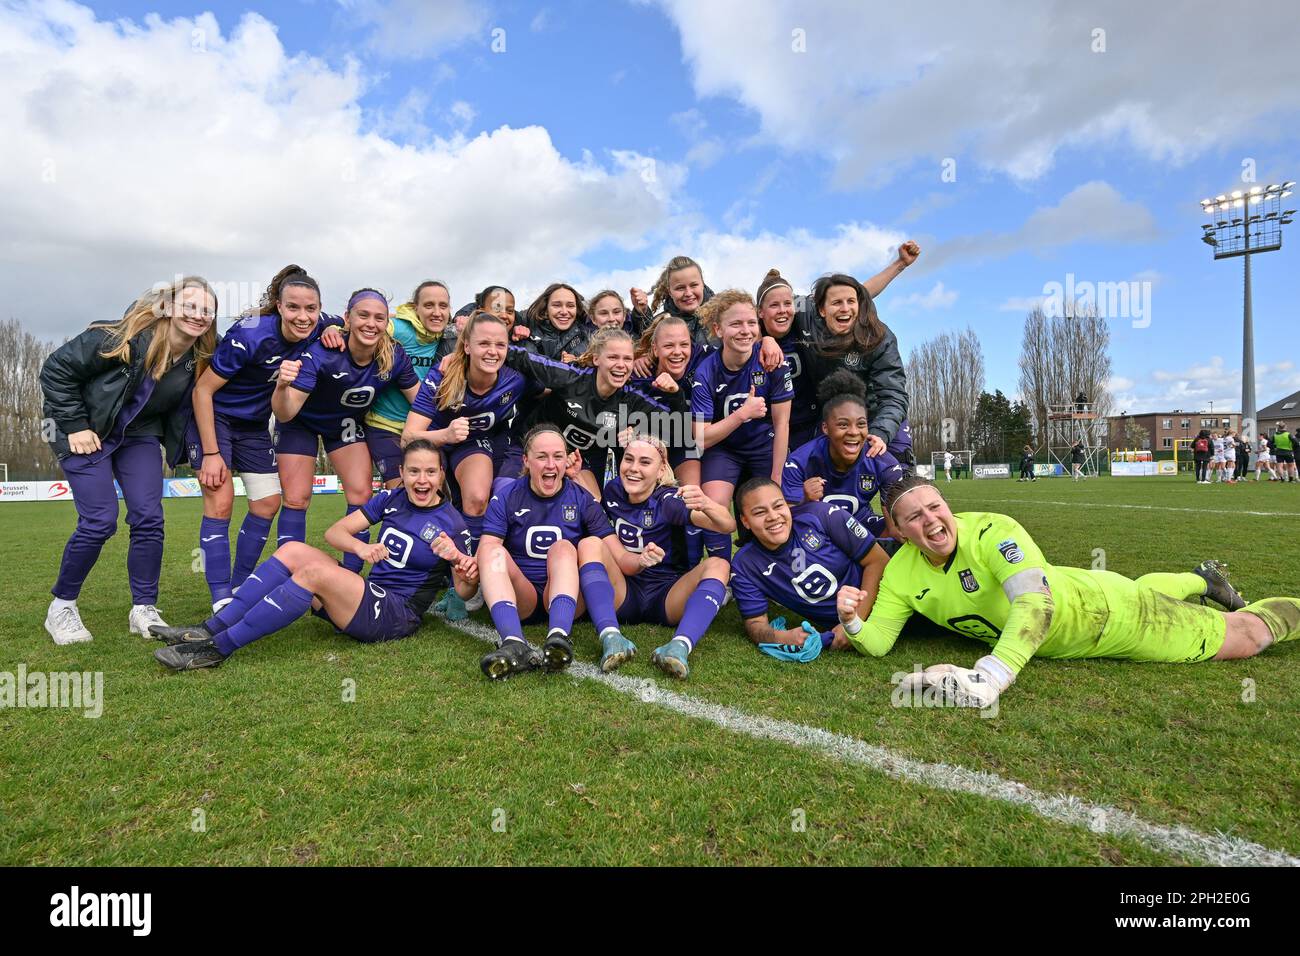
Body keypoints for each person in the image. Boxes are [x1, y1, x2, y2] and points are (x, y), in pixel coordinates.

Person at [837, 475, 1299, 711]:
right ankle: (1204, 579)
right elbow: (877, 644)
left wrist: (991, 676)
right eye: (914, 516)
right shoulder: (899, 573)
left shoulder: (994, 529)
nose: (932, 519)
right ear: (895, 531)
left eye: (936, 505)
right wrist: (854, 621)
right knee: (1145, 589)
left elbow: (1035, 602)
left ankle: (1231, 595)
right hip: (1100, 587)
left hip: (1109, 618)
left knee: (1247, 636)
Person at [149, 440, 476, 670]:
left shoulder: (452, 524)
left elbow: (465, 590)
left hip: (396, 614)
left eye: (430, 472)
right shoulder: (392, 498)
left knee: (313, 575)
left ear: (441, 475)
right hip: (366, 596)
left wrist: (457, 561)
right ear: (402, 472)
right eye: (414, 471)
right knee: (292, 550)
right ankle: (208, 628)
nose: (422, 480)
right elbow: (335, 533)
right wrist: (361, 547)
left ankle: (215, 650)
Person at [40, 277, 218, 644]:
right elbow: (56, 369)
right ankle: (61, 607)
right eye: (190, 306)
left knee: (149, 517)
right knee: (100, 520)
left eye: (206, 310)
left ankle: (143, 609)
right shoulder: (119, 337)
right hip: (84, 430)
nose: (198, 315)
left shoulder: (197, 360)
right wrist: (74, 426)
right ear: (168, 307)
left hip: (138, 435)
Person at [188, 265, 345, 610]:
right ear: (277, 305)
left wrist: (335, 327)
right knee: (221, 500)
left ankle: (241, 586)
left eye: (311, 309)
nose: (303, 317)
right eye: (293, 308)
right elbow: (202, 391)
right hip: (216, 418)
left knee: (267, 503)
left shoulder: (320, 323)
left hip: (254, 426)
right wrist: (212, 453)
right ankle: (221, 599)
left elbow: (352, 319)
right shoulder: (250, 334)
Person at [271, 289, 420, 570]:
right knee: (296, 498)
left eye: (379, 318)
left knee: (361, 494)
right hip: (300, 422)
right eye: (363, 315)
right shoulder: (323, 352)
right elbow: (286, 411)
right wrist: (281, 386)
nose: (370, 323)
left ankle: (351, 574)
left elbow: (421, 402)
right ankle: (286, 571)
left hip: (343, 425)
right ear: (347, 319)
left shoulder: (394, 355)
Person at [588, 435, 735, 678]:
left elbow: (727, 525)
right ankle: (611, 638)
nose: (634, 468)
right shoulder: (613, 489)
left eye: (645, 462)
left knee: (719, 565)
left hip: (667, 594)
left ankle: (678, 647)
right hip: (626, 590)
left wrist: (707, 504)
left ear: (661, 470)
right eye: (629, 459)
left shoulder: (668, 500)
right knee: (591, 543)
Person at [476, 425, 616, 679]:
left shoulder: (581, 498)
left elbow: (610, 548)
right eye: (542, 457)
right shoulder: (507, 496)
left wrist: (643, 559)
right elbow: (487, 546)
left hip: (567, 595)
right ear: (526, 461)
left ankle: (558, 637)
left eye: (558, 456)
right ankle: (513, 642)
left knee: (563, 547)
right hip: (523, 597)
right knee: (489, 550)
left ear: (567, 461)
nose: (550, 464)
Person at [403, 312, 545, 554]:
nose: (493, 351)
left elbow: (548, 390)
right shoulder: (443, 375)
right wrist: (445, 435)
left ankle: (473, 573)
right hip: (434, 444)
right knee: (413, 502)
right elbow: (408, 437)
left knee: (478, 498)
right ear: (467, 346)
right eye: (484, 344)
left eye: (500, 345)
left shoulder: (516, 377)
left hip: (474, 443)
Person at [501, 328, 680, 499]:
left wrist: (676, 394)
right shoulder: (571, 377)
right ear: (596, 359)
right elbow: (523, 358)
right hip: (530, 447)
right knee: (504, 492)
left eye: (627, 359)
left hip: (580, 460)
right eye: (613, 357)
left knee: (593, 504)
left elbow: (678, 429)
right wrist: (488, 347)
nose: (621, 365)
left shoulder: (631, 399)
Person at [730, 478, 891, 653]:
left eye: (778, 506)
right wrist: (783, 637)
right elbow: (755, 624)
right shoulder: (744, 565)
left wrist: (853, 622)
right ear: (745, 521)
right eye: (760, 512)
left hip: (890, 593)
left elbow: (879, 561)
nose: (773, 516)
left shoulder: (821, 515)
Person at [691, 290, 794, 559]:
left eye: (751, 323)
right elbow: (701, 439)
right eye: (736, 324)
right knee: (713, 506)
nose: (745, 331)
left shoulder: (771, 360)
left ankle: (770, 567)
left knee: (776, 502)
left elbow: (782, 424)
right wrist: (742, 414)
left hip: (764, 445)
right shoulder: (706, 371)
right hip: (725, 449)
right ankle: (722, 572)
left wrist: (777, 477)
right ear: (718, 329)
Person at [781, 370, 905, 537]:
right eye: (843, 425)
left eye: (861, 424)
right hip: (818, 532)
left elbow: (895, 530)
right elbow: (785, 522)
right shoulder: (798, 461)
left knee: (907, 527)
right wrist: (805, 500)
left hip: (862, 528)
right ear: (825, 428)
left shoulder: (884, 464)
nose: (854, 432)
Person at [366, 281, 456, 490]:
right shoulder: (399, 329)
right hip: (386, 426)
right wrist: (333, 329)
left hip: (425, 428)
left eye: (443, 306)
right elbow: (365, 325)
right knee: (400, 490)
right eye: (428, 305)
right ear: (415, 308)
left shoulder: (450, 338)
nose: (436, 312)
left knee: (435, 491)